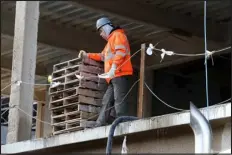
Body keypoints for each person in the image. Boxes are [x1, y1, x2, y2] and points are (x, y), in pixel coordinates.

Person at [78, 17, 133, 127]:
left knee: (119, 100)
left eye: (101, 31)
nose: (101, 34)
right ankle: (100, 123)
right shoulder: (110, 42)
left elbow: (121, 52)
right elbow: (102, 56)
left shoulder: (118, 35)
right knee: (107, 100)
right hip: (113, 76)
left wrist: (114, 67)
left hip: (120, 74)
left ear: (106, 28)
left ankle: (121, 121)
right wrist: (87, 55)